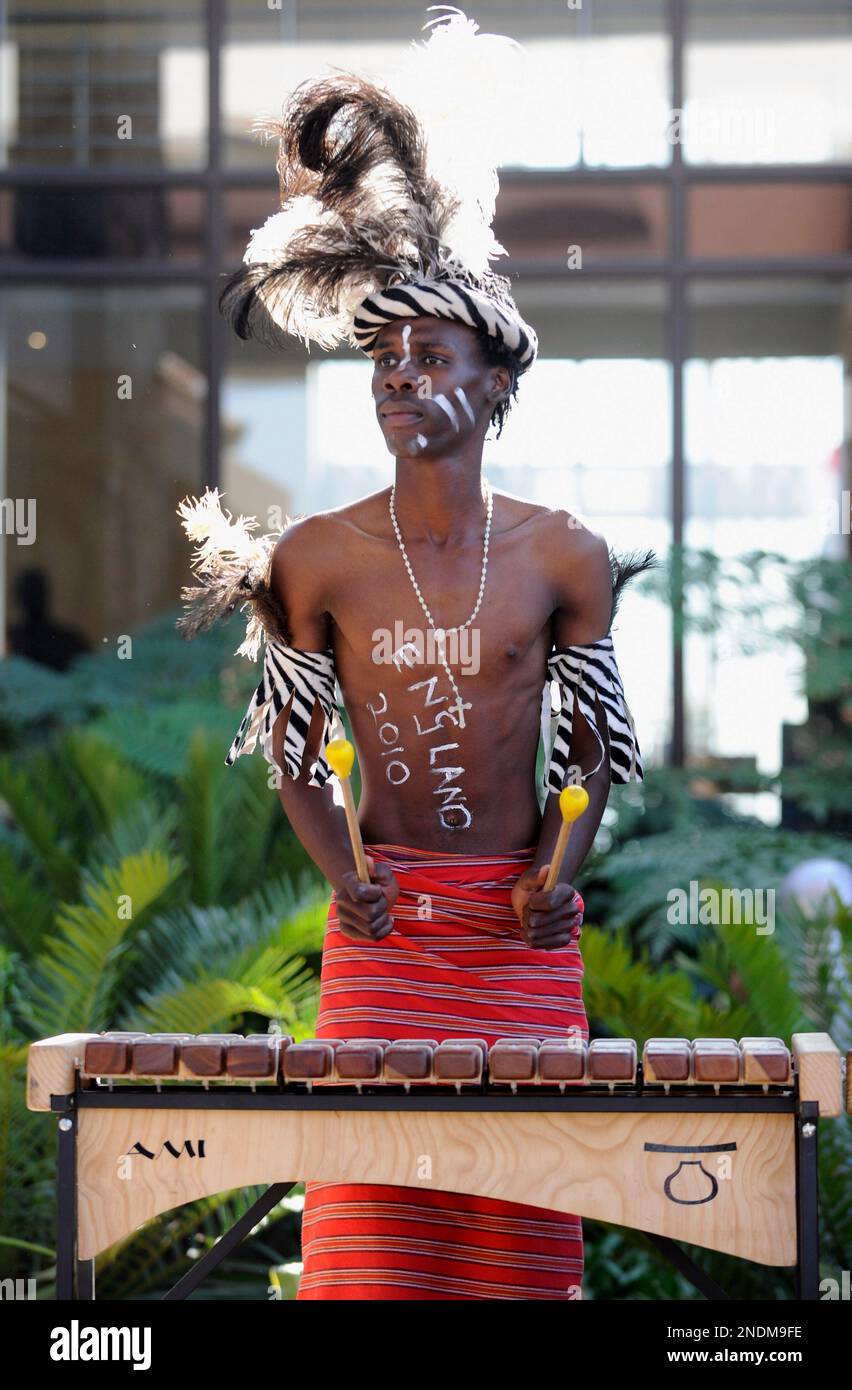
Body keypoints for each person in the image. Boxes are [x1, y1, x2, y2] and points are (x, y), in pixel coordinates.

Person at [177, 8, 653, 1300]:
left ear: (493, 385)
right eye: (384, 362)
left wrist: (561, 873)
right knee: (373, 1251)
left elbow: (591, 742)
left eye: (429, 357)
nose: (400, 380)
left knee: (516, 1249)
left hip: (516, 933)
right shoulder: (317, 560)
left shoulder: (562, 555)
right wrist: (342, 869)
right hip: (385, 937)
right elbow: (289, 741)